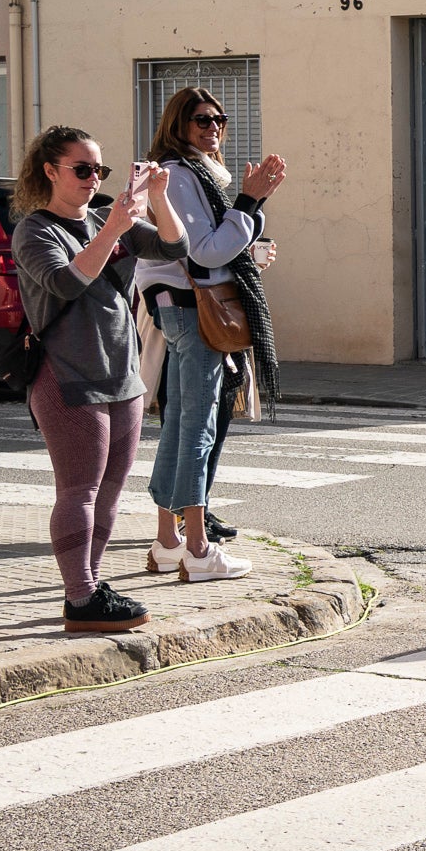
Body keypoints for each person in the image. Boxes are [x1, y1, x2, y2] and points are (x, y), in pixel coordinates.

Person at [11, 126, 188, 632]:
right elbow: (65, 282)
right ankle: (80, 598)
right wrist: (111, 229)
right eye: (83, 169)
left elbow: (175, 248)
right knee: (79, 490)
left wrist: (158, 198)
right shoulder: (35, 231)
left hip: (121, 372)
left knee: (109, 491)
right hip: (68, 374)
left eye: (100, 170)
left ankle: (91, 585)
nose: (94, 179)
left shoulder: (108, 217)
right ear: (50, 171)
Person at [135, 87, 286, 581]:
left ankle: (166, 542)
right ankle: (198, 549)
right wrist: (250, 201)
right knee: (196, 427)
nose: (213, 128)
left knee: (181, 424)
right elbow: (205, 252)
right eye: (201, 120)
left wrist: (249, 211)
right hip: (190, 311)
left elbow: (217, 246)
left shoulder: (196, 173)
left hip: (183, 309)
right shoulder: (179, 175)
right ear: (178, 125)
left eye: (219, 119)